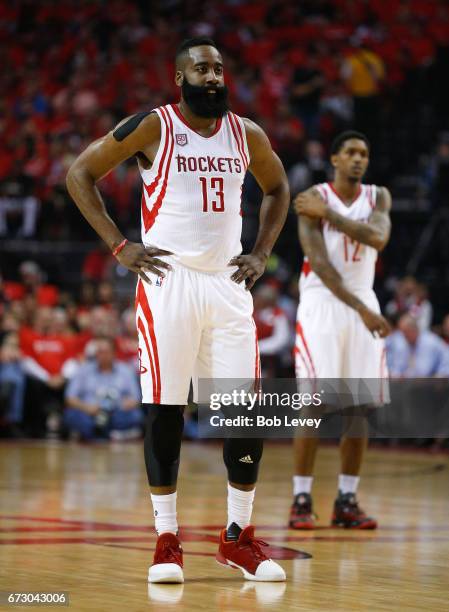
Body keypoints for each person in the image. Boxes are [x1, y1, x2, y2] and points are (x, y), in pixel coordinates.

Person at [66, 37, 289, 583]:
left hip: (229, 284)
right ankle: (167, 538)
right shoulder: (154, 126)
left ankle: (238, 539)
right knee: (167, 410)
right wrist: (121, 246)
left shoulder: (247, 134)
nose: (213, 76)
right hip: (169, 281)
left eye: (219, 68)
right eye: (201, 69)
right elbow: (80, 175)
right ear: (180, 79)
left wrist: (260, 252)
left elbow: (279, 189)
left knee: (244, 413)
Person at [291, 130, 392, 530]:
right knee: (314, 404)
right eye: (350, 152)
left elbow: (378, 237)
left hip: (363, 301)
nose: (358, 159)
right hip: (323, 303)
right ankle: (301, 498)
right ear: (334, 158)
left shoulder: (378, 196)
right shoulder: (311, 196)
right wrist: (361, 309)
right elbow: (321, 265)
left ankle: (346, 500)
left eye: (364, 154)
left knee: (359, 407)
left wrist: (329, 215)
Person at [64, 337, 142, 440]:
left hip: (117, 412)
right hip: (89, 412)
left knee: (135, 415)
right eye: (99, 352)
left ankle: (96, 435)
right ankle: (110, 434)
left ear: (114, 353)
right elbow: (70, 397)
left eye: (106, 352)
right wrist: (86, 407)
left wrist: (125, 404)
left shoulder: (126, 371)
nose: (102, 355)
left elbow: (137, 398)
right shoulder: (83, 370)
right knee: (72, 416)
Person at [386, 313, 449, 377]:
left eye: (405, 333)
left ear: (413, 330)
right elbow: (398, 366)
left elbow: (422, 372)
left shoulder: (428, 342)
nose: (403, 337)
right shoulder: (406, 343)